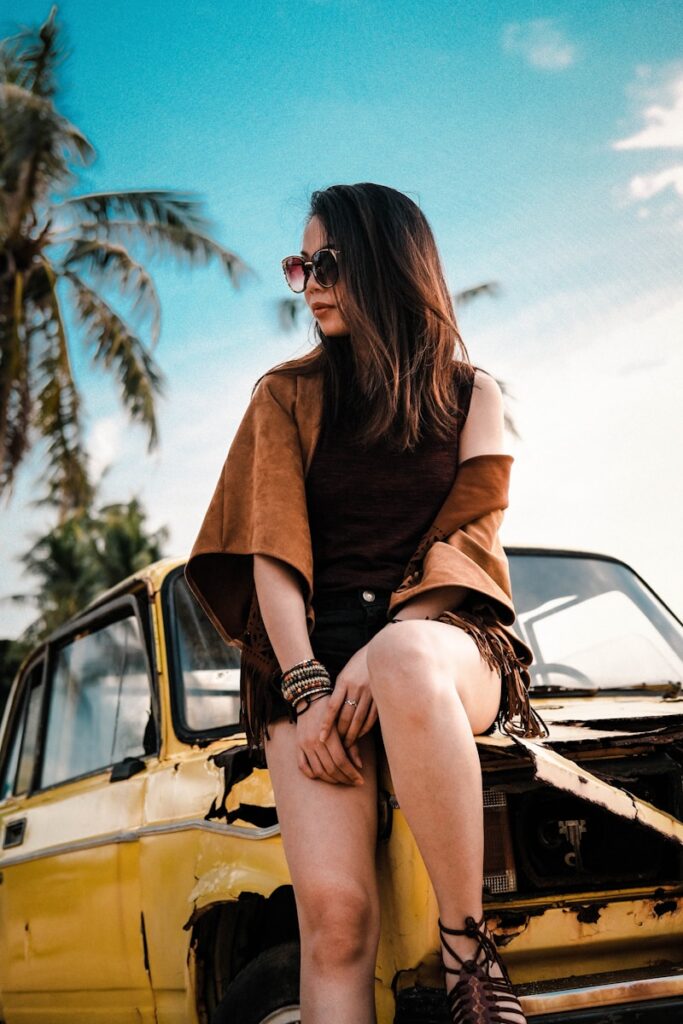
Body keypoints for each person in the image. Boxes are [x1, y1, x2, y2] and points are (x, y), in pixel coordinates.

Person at [185, 183, 545, 1024]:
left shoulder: (472, 394)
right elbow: (271, 550)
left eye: (329, 263)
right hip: (309, 658)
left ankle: (468, 962)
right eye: (300, 265)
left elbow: (470, 539)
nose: (310, 283)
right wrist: (309, 685)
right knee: (337, 923)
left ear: (389, 264)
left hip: (443, 638)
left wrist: (386, 655)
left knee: (405, 656)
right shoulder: (283, 395)